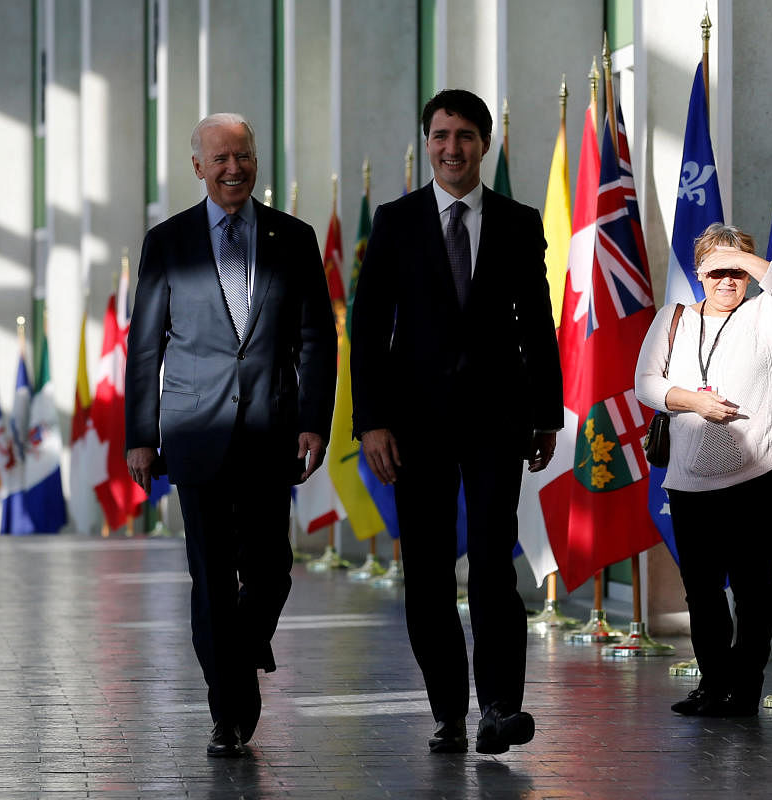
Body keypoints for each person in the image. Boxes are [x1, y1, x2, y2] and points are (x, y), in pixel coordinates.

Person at [350, 89, 562, 755]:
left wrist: (547, 413)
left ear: (484, 144)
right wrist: (371, 422)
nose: (452, 148)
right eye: (441, 135)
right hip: (413, 430)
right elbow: (367, 329)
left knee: (495, 567)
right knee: (431, 573)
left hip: (498, 421)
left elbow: (538, 320)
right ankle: (448, 708)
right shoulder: (394, 222)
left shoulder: (518, 220)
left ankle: (500, 707)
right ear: (427, 142)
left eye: (465, 136)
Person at [125, 113, 337, 757]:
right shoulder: (168, 242)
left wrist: (313, 421)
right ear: (198, 168)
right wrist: (140, 434)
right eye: (219, 158)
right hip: (195, 434)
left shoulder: (293, 238)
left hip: (273, 431)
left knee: (272, 569)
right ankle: (229, 716)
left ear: (256, 161)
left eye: (242, 155)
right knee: (213, 577)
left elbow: (316, 338)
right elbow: (144, 347)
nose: (233, 168)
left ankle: (236, 654)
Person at [635, 222, 772, 717]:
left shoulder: (764, 314)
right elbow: (645, 382)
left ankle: (745, 687)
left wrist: (743, 258)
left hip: (753, 474)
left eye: (738, 272)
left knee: (752, 588)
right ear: (699, 274)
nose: (728, 281)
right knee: (701, 589)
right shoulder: (674, 317)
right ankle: (712, 684)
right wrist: (692, 401)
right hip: (688, 478)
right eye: (717, 272)